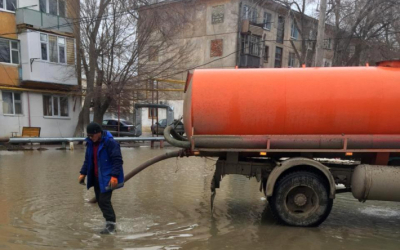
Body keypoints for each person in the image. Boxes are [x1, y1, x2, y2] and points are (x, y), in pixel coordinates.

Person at [79, 122, 124, 234]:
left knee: (104, 201)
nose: (90, 137)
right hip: (96, 178)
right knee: (100, 200)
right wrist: (83, 173)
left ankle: (111, 226)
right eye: (88, 136)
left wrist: (114, 176)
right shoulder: (90, 143)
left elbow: (117, 161)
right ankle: (109, 223)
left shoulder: (110, 143)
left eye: (92, 135)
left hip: (107, 178)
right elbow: (87, 160)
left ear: (98, 133)